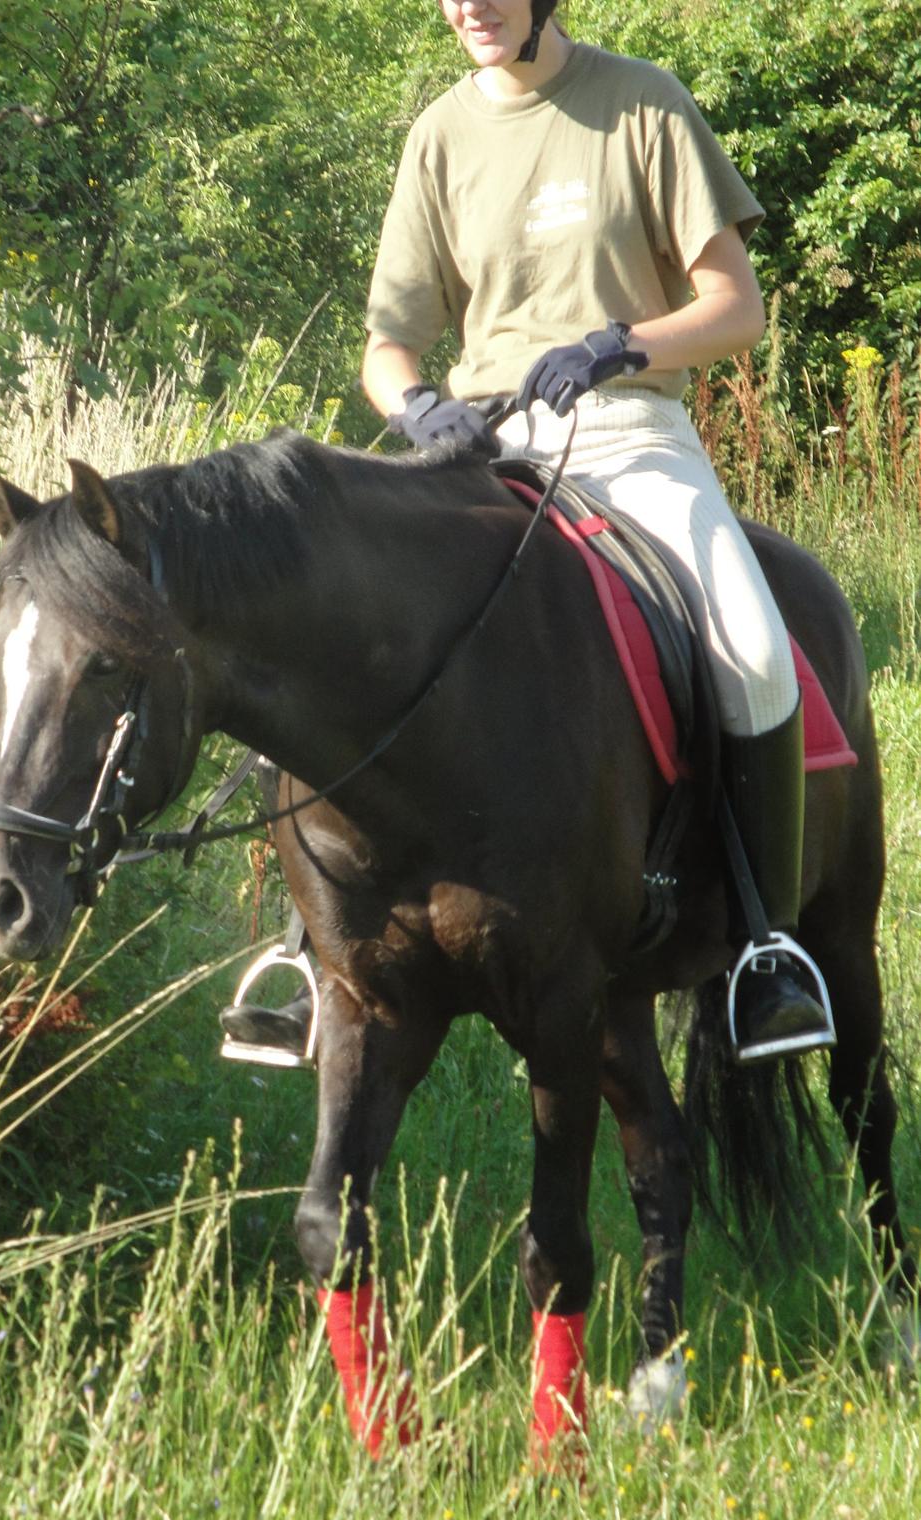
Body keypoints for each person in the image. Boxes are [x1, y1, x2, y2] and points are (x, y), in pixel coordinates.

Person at [222, 0, 832, 1063]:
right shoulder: (440, 135)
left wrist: (620, 346)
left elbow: (737, 309)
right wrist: (415, 407)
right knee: (353, 633)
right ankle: (309, 958)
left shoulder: (643, 100)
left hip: (626, 430)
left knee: (752, 647)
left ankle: (763, 952)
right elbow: (388, 345)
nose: (469, 6)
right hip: (480, 448)